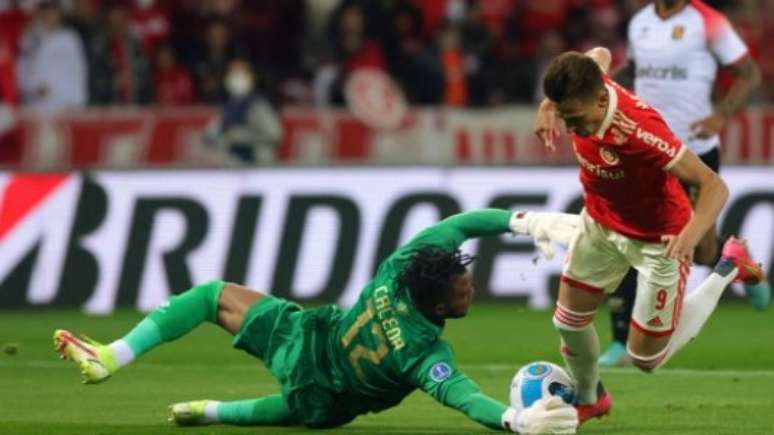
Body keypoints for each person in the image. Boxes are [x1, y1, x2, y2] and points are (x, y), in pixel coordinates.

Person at [54, 209, 580, 434]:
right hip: (326, 402)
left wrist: (523, 221)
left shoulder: (402, 268)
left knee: (214, 296)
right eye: (465, 290)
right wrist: (514, 421)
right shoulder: (423, 353)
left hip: (308, 341)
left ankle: (114, 357)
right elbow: (464, 398)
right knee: (299, 410)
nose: (473, 289)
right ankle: (209, 411)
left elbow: (460, 224)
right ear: (439, 309)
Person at [533, 47, 765, 425]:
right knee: (568, 321)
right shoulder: (589, 83)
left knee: (645, 360)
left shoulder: (639, 130)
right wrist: (547, 106)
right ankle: (592, 399)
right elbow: (601, 54)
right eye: (565, 118)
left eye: (576, 119)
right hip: (601, 222)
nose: (572, 130)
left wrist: (691, 236)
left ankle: (728, 265)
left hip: (658, 237)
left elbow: (714, 186)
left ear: (599, 99)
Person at [598, 0, 768, 368]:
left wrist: (720, 116)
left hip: (694, 150)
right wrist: (600, 85)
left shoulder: (708, 21)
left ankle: (734, 260)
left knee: (700, 251)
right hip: (643, 147)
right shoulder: (641, 22)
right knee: (627, 234)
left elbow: (749, 73)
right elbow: (637, 72)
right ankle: (619, 338)